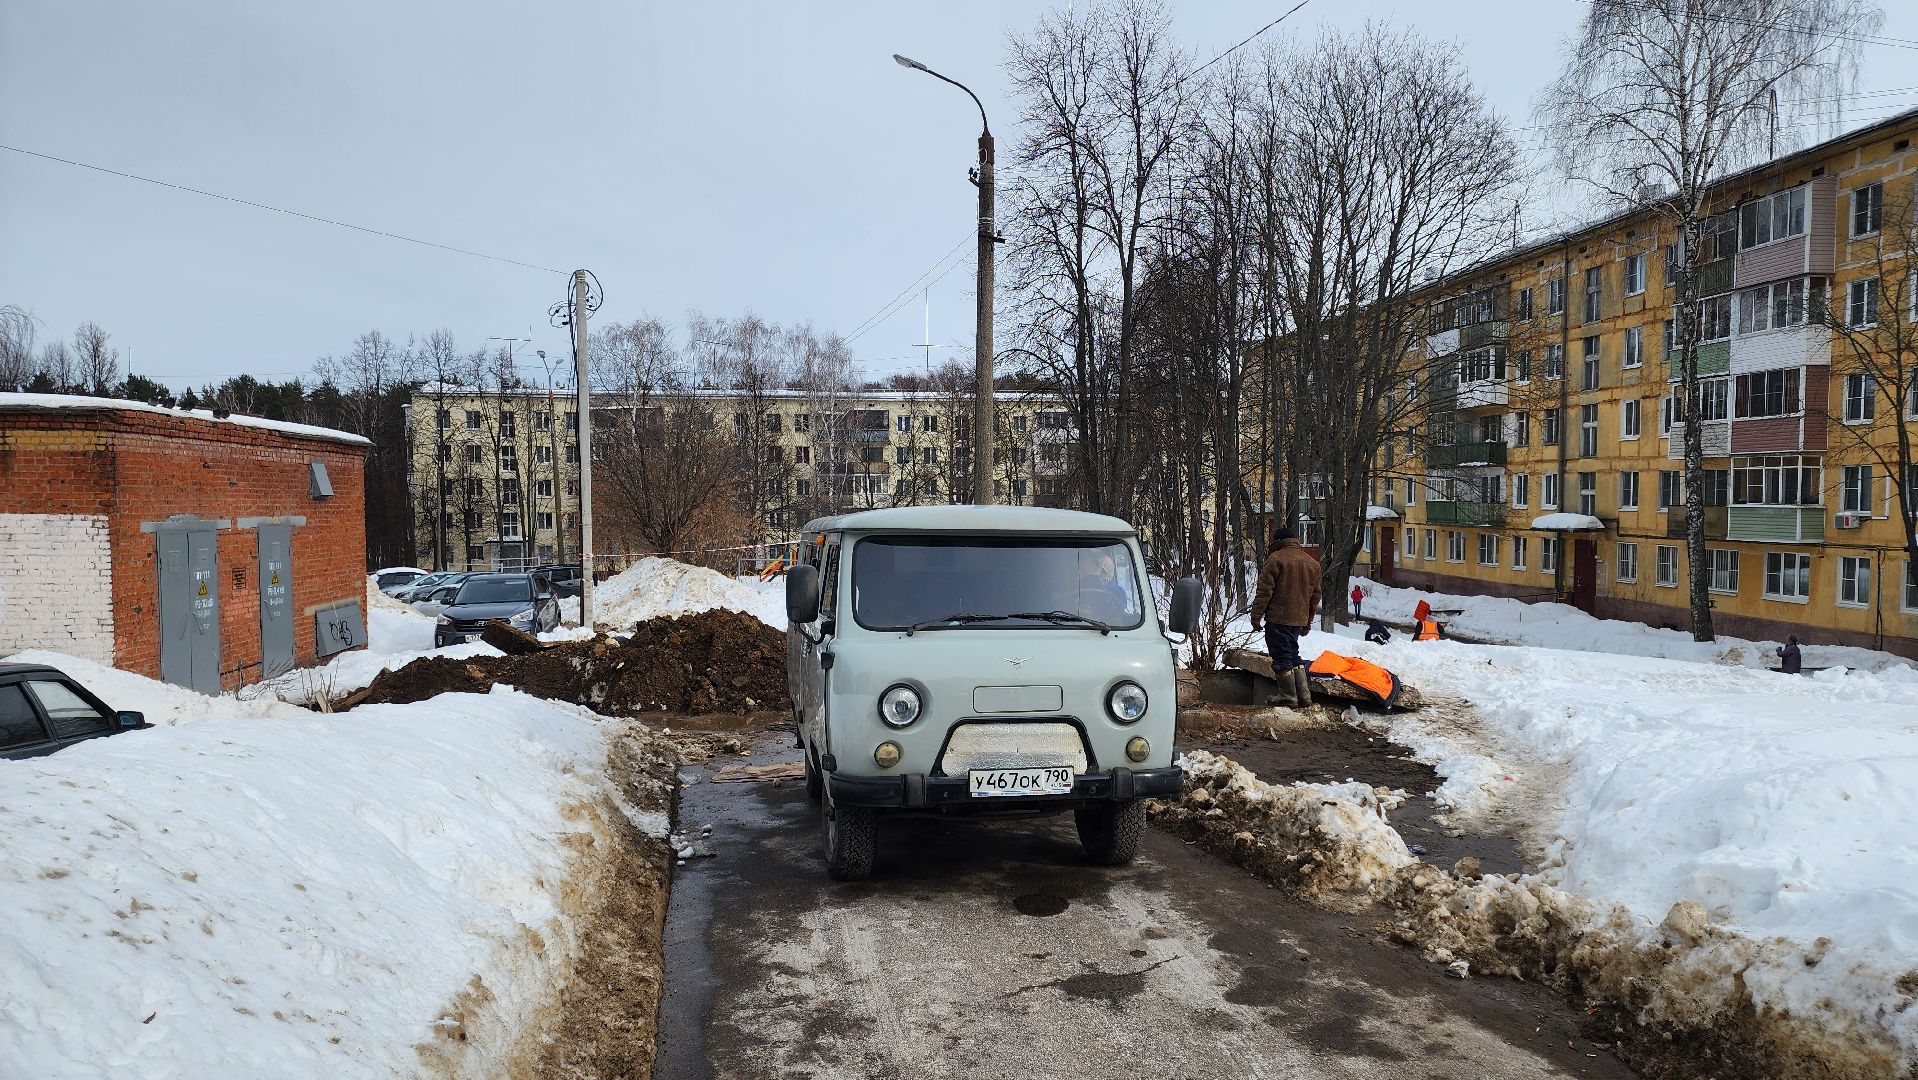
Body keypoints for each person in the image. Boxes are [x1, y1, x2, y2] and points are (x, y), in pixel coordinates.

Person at [1250, 526, 1320, 707]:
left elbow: (1264, 592)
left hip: (1278, 619)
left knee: (1281, 657)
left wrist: (1256, 616)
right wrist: (1308, 620)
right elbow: (1315, 596)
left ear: (1278, 541)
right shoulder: (1312, 563)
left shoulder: (1275, 559)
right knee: (1293, 654)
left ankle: (1288, 696)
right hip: (1298, 620)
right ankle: (1304, 696)